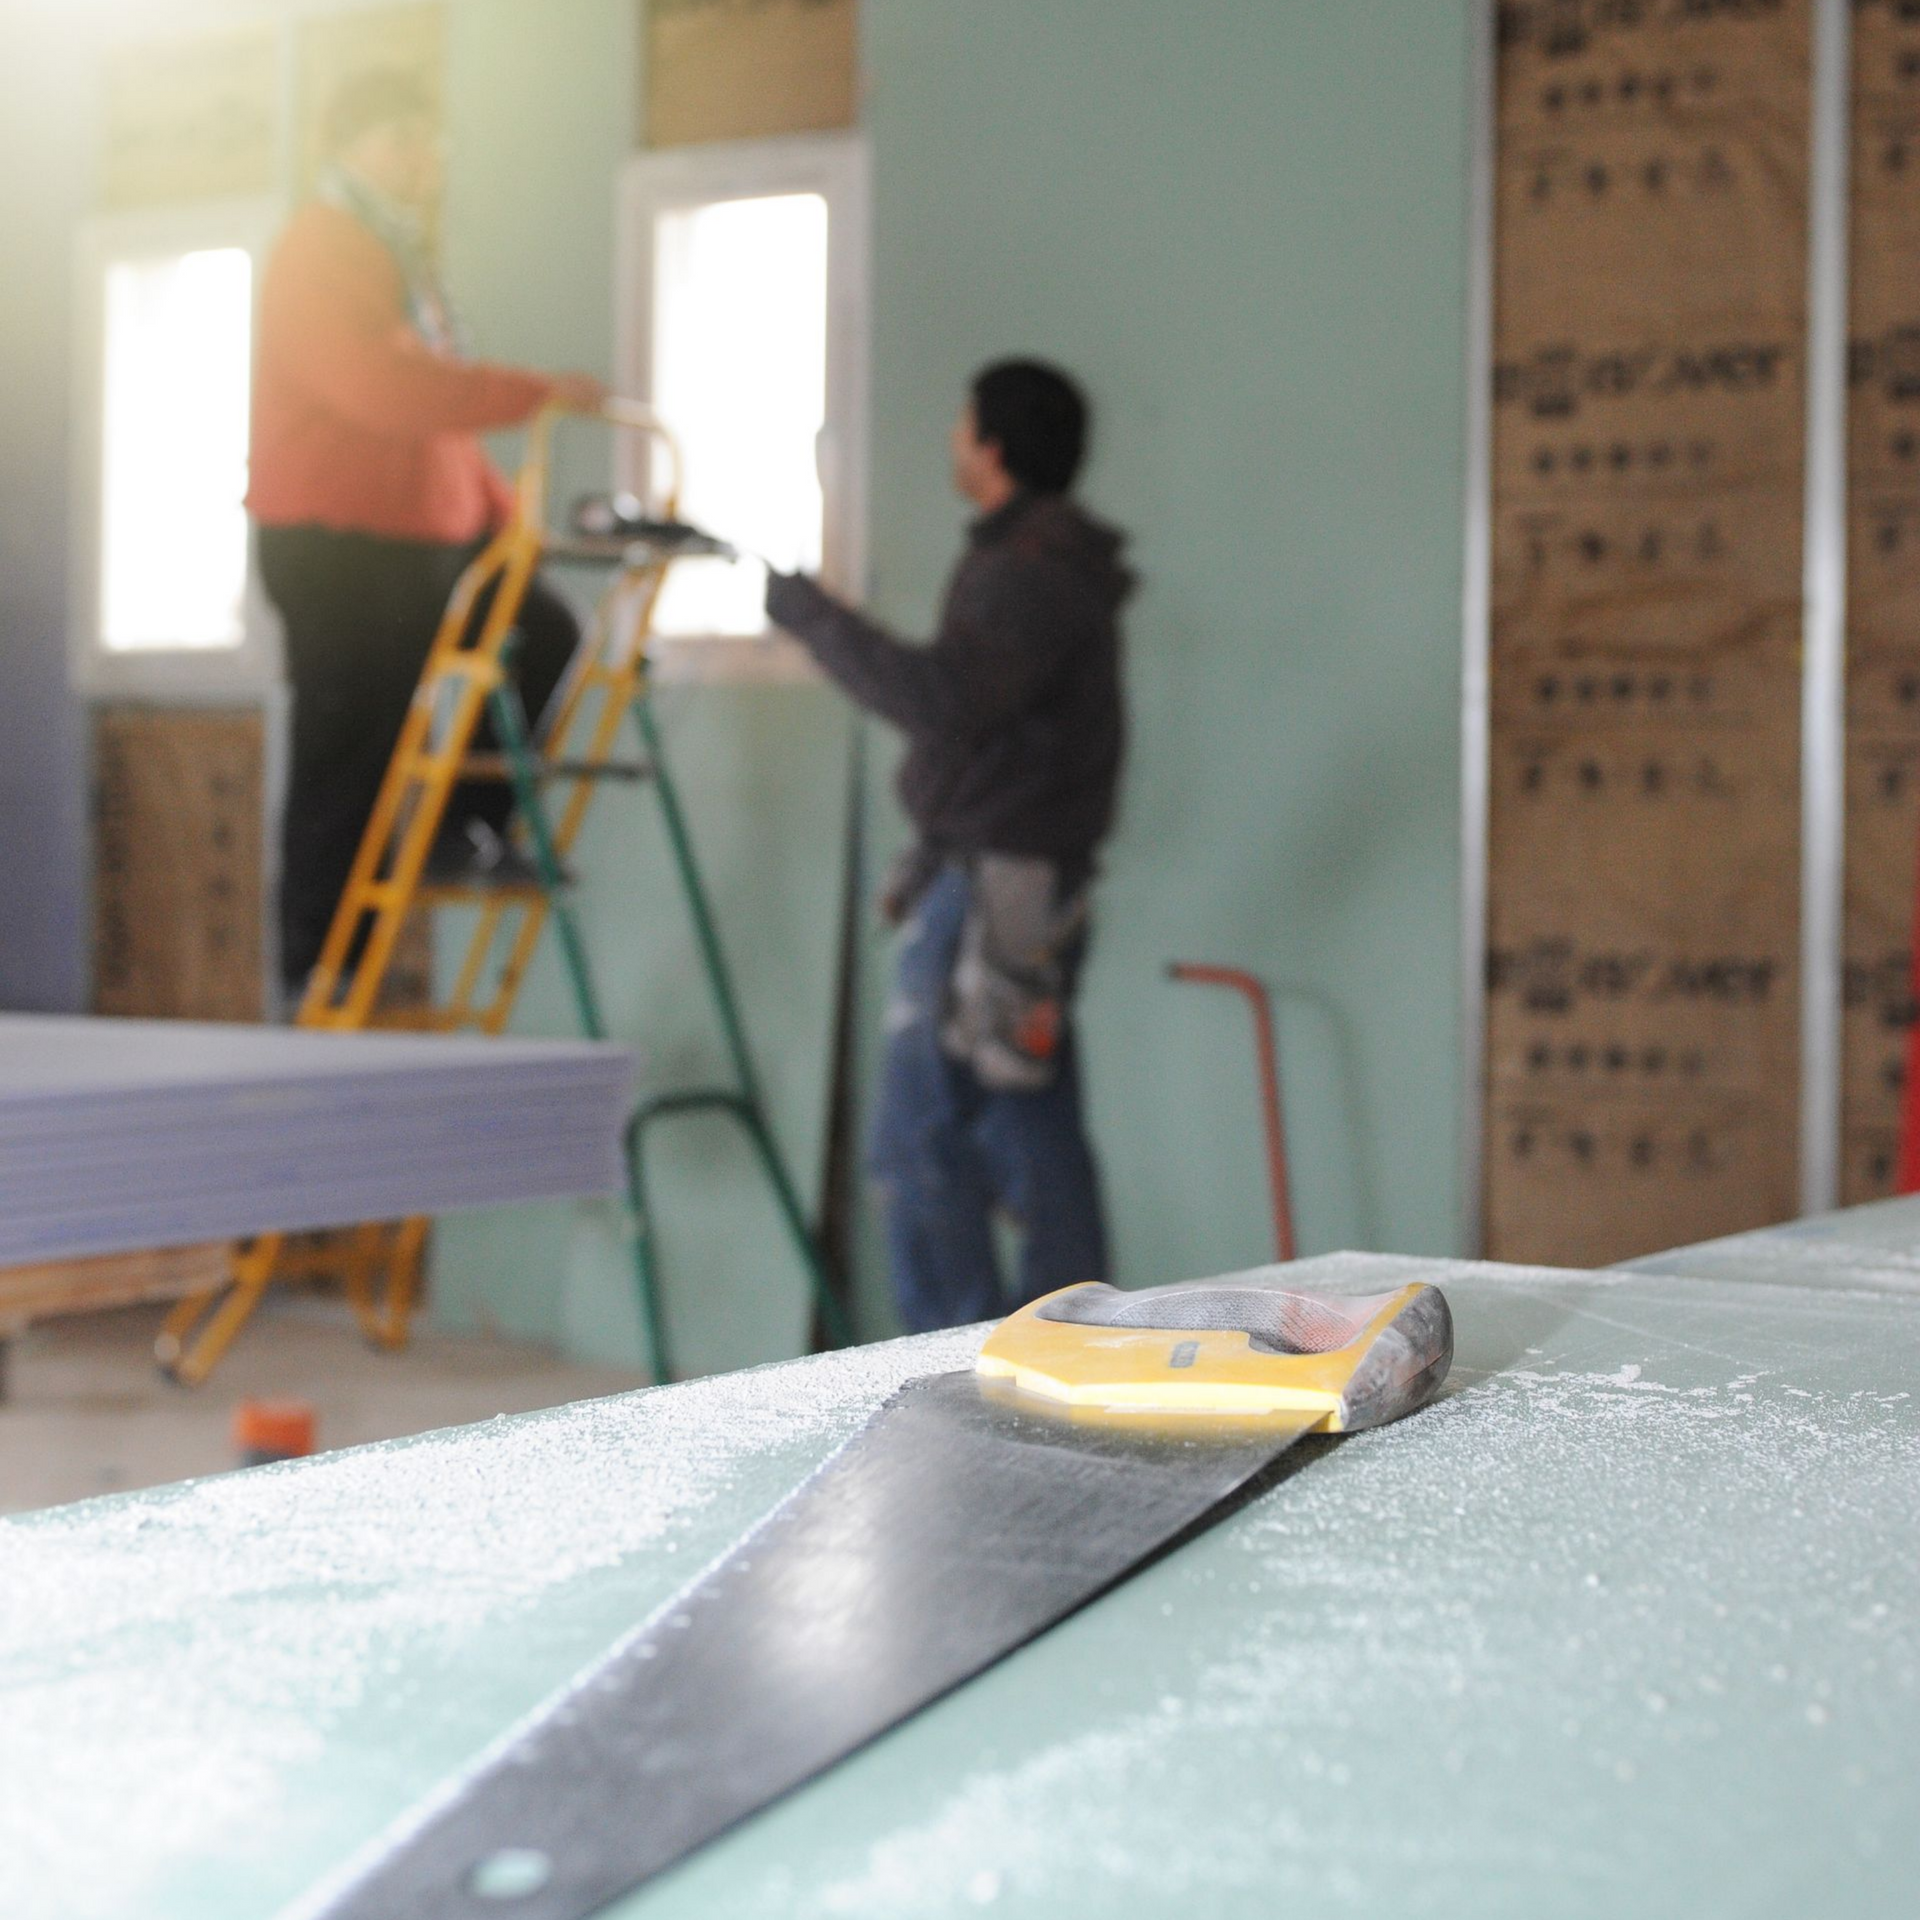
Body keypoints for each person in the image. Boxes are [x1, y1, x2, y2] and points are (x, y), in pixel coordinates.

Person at [766, 359, 1134, 1332]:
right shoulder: (1045, 563)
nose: (952, 441)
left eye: (962, 425)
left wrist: (814, 618)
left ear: (992, 447)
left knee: (922, 1142)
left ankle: (957, 1364)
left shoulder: (1027, 575)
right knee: (1022, 1122)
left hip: (992, 895)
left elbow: (942, 701)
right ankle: (1070, 1346)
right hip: (1012, 882)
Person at [248, 67, 605, 1003]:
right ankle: (316, 976)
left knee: (548, 633)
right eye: (399, 141)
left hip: (424, 540)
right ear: (346, 150)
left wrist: (504, 521)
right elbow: (378, 391)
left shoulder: (399, 258)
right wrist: (533, 390)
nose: (421, 162)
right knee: (351, 754)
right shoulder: (320, 250)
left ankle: (463, 827)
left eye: (428, 143)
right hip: (340, 545)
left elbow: (432, 417)